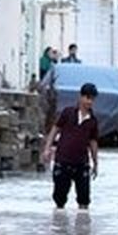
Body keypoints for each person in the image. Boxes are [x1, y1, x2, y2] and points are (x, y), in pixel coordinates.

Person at [42, 82, 99, 210]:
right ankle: (59, 226)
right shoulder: (67, 113)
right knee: (59, 199)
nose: (89, 102)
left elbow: (93, 142)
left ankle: (83, 227)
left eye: (92, 99)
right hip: (63, 161)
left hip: (81, 164)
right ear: (81, 97)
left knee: (84, 200)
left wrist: (95, 163)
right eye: (87, 98)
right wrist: (47, 149)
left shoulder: (93, 121)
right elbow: (54, 130)